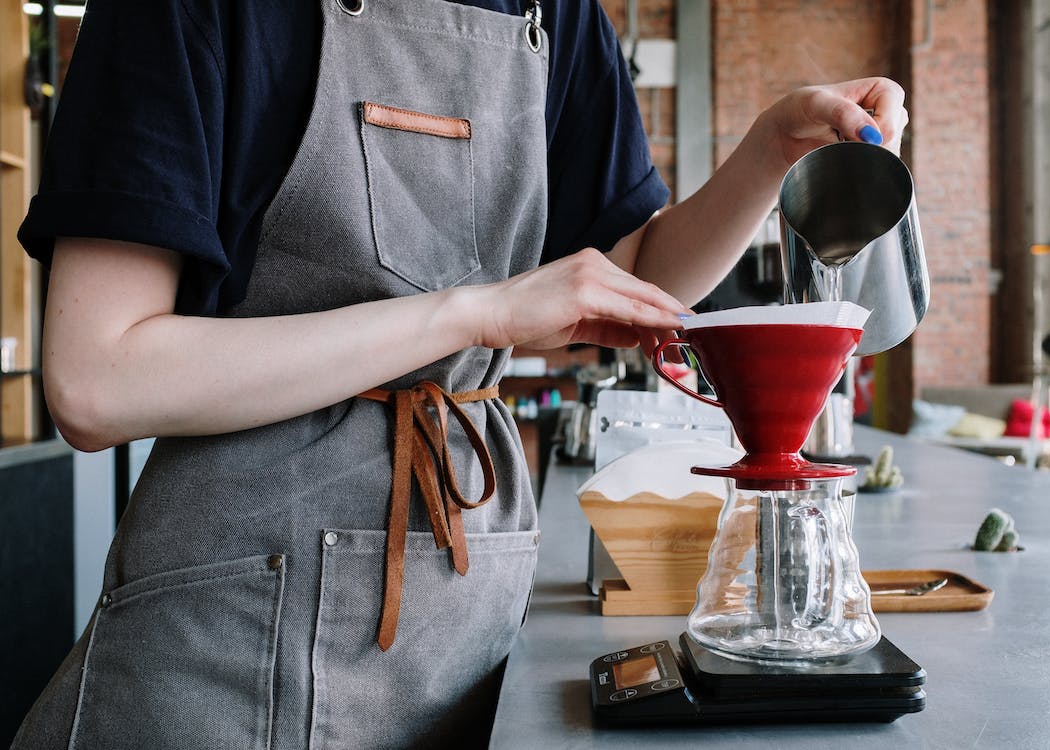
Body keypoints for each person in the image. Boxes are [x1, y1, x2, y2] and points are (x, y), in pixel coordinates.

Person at [13, 0, 908, 747]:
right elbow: (99, 381)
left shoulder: (553, 11)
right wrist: (478, 312)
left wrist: (767, 153)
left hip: (464, 608)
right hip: (229, 638)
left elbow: (635, 280)